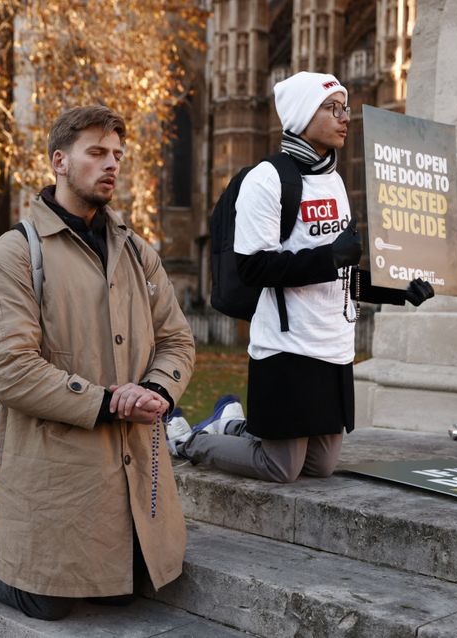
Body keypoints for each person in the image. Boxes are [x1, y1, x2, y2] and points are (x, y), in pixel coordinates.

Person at [0, 105, 196, 620]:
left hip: (133, 459)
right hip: (55, 459)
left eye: (117, 154)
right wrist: (103, 402)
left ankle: (5, 537)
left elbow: (178, 340)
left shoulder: (139, 253)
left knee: (128, 587)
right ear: (59, 161)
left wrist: (157, 391)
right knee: (46, 599)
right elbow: (5, 366)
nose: (111, 164)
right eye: (96, 152)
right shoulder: (15, 251)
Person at [167, 71, 434, 483]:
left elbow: (340, 276)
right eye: (332, 108)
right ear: (301, 116)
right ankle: (188, 441)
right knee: (280, 466)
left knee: (320, 466)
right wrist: (330, 257)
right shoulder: (268, 180)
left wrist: (399, 291)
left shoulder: (335, 181)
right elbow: (253, 267)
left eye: (344, 107)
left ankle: (233, 425)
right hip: (287, 347)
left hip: (334, 346)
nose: (344, 117)